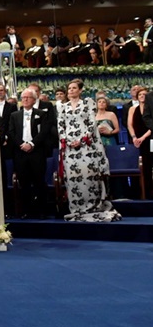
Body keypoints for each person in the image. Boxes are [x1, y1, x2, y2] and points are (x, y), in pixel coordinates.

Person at [58, 79, 121, 222]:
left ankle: (92, 206)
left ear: (80, 90)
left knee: (89, 176)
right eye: (69, 88)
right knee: (73, 178)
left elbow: (91, 124)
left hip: (86, 147)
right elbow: (60, 126)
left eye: (74, 88)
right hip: (70, 149)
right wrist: (67, 140)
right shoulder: (63, 107)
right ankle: (77, 208)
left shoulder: (87, 104)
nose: (71, 90)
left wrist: (81, 140)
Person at [8, 89, 50, 219]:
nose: (25, 99)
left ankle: (42, 211)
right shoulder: (14, 115)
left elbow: (44, 131)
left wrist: (32, 144)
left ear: (34, 100)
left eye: (28, 97)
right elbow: (11, 132)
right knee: (24, 182)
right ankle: (26, 211)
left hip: (37, 152)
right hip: (20, 153)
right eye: (23, 97)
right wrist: (21, 144)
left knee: (39, 181)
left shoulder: (41, 114)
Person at [127, 87, 152, 198]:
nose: (142, 96)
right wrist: (134, 137)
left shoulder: (151, 108)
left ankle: (150, 193)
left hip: (150, 139)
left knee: (149, 165)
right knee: (139, 166)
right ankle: (139, 194)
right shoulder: (132, 109)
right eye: (140, 94)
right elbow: (129, 125)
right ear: (137, 97)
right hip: (136, 141)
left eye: (144, 94)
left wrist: (143, 137)